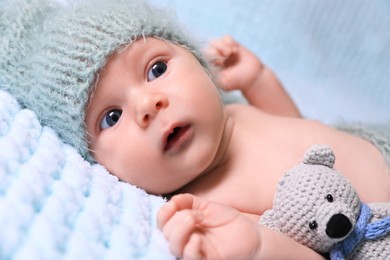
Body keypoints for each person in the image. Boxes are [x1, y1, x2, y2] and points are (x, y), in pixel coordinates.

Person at [2, 0, 389, 259]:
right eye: (111, 117)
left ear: (198, 62)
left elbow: (299, 127)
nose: (147, 105)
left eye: (157, 69)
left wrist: (258, 79)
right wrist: (254, 245)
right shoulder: (210, 201)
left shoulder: (236, 114)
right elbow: (305, 252)